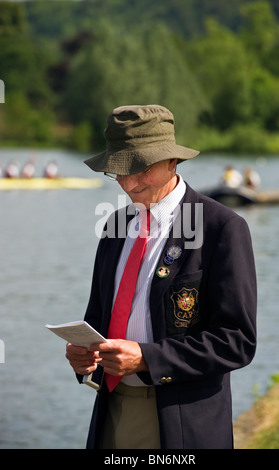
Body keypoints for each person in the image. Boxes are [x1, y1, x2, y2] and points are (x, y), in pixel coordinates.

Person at [66, 105, 257, 449]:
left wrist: (147, 358)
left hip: (182, 422)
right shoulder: (114, 226)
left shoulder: (222, 228)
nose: (129, 183)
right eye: (118, 172)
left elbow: (237, 342)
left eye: (139, 168)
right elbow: (98, 318)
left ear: (172, 161)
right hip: (111, 411)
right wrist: (84, 356)